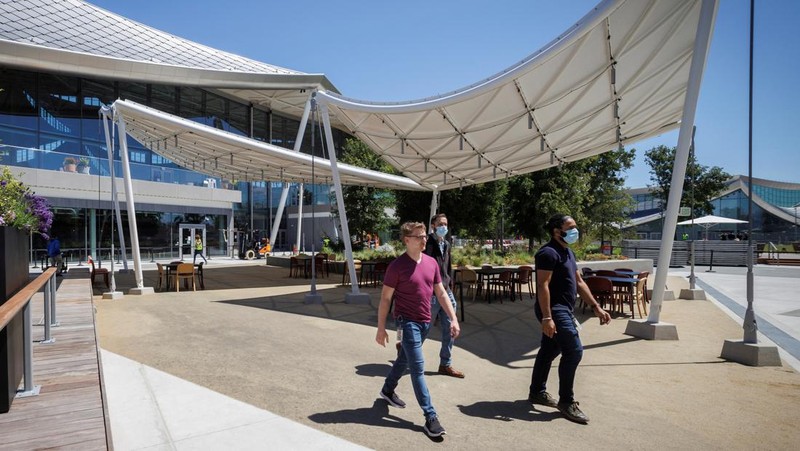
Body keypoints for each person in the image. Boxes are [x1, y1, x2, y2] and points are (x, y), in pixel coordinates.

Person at [376, 221, 460, 438]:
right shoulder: (397, 266)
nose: (424, 239)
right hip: (406, 322)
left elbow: (441, 293)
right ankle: (430, 416)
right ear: (406, 240)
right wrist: (381, 328)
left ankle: (387, 390)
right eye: (419, 237)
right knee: (417, 367)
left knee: (404, 359)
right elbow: (385, 299)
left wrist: (453, 319)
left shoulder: (431, 263)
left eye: (424, 236)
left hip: (425, 321)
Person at [528, 214, 611, 424]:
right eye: (571, 227)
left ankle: (537, 391)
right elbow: (542, 285)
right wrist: (547, 317)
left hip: (564, 309)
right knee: (573, 351)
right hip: (554, 311)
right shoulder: (547, 253)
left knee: (549, 349)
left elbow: (580, 282)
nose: (576, 230)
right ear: (557, 231)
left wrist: (596, 307)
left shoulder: (568, 252)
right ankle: (566, 402)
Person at [424, 213, 465, 378]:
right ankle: (405, 357)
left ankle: (445, 364)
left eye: (445, 224)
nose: (443, 227)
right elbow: (423, 267)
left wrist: (450, 284)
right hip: (432, 294)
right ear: (433, 225)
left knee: (450, 330)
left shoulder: (446, 244)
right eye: (440, 224)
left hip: (446, 292)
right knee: (423, 329)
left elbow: (448, 267)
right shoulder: (427, 243)